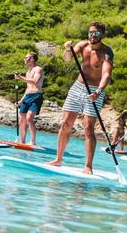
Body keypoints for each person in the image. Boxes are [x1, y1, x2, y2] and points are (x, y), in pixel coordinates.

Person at [48, 21, 114, 174]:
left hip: (94, 90)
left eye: (96, 33)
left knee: (88, 128)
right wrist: (68, 49)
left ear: (102, 35)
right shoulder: (83, 45)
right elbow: (67, 58)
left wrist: (98, 91)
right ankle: (58, 159)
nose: (93, 35)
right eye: (91, 32)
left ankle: (88, 166)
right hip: (77, 87)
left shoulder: (106, 52)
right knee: (65, 123)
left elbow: (106, 74)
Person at [14, 52, 44, 145]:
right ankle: (22, 142)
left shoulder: (38, 69)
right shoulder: (27, 72)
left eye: (26, 57)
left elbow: (35, 81)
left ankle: (32, 141)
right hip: (27, 96)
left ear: (32, 59)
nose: (24, 59)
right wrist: (21, 101)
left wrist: (20, 78)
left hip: (36, 95)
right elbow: (28, 88)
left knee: (29, 118)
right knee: (22, 120)